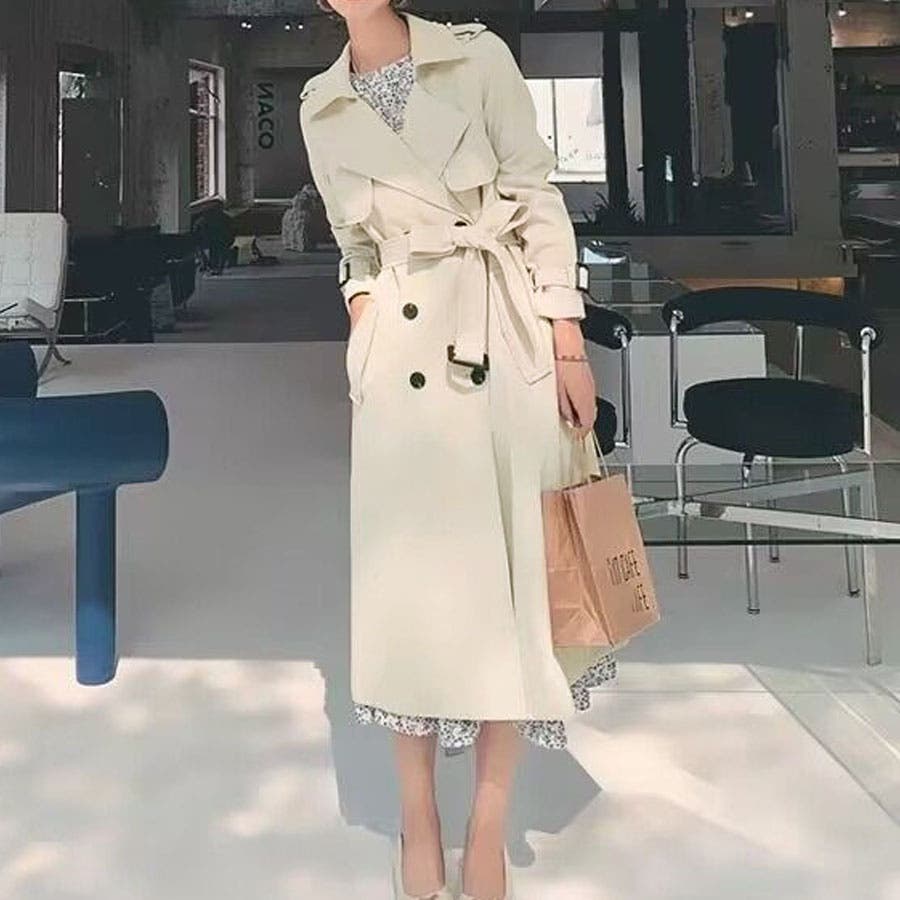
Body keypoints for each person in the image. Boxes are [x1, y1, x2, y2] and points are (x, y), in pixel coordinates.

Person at [300, 4, 617, 898]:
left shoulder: (476, 59)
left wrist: (566, 340)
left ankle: (488, 817)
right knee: (405, 593)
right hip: (401, 359)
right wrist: (364, 315)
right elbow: (351, 243)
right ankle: (418, 813)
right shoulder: (322, 102)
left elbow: (537, 195)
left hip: (501, 334)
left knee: (510, 584)